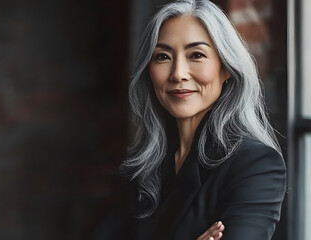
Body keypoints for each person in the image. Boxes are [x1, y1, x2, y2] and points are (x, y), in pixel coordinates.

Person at [93, 0, 286, 239]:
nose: (178, 74)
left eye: (196, 55)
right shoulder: (144, 164)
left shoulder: (255, 164)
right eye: (163, 56)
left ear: (225, 68)